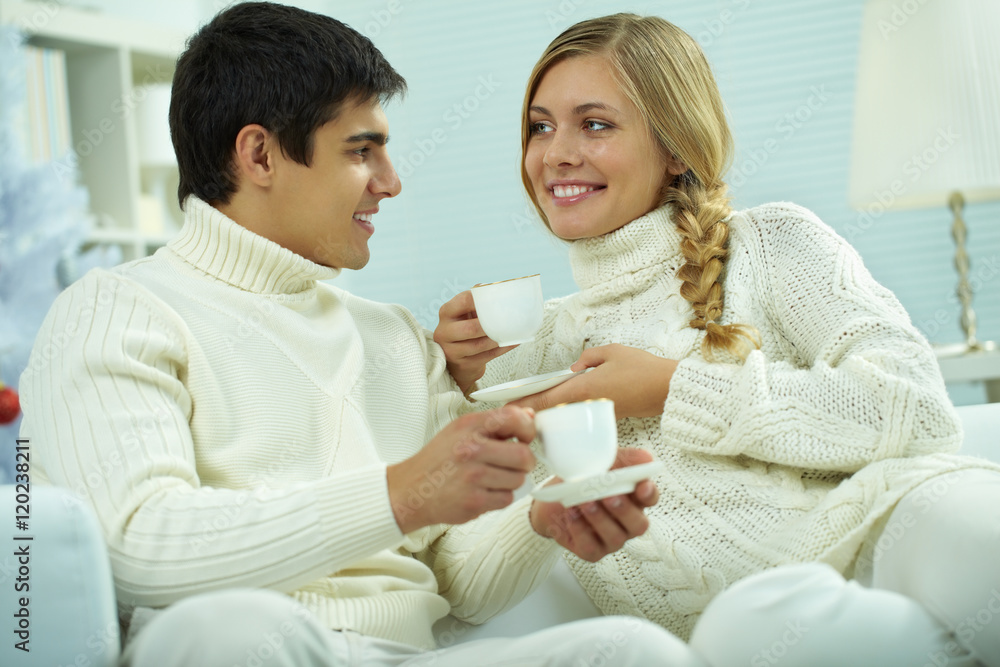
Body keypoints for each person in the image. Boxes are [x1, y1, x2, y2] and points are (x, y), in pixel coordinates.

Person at [18, 4, 708, 666]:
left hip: (404, 655)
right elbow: (140, 545)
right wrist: (403, 491)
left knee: (635, 651)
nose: (391, 182)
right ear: (259, 155)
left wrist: (541, 522)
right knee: (232, 629)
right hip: (239, 648)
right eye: (361, 151)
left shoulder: (396, 338)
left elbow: (457, 584)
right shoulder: (117, 310)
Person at [435, 13, 1000, 666]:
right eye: (540, 126)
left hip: (899, 519)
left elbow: (919, 410)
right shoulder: (526, 356)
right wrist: (457, 390)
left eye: (595, 124)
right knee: (749, 633)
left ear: (675, 147)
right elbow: (456, 581)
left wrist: (671, 387)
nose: (555, 152)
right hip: (764, 618)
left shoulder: (770, 243)